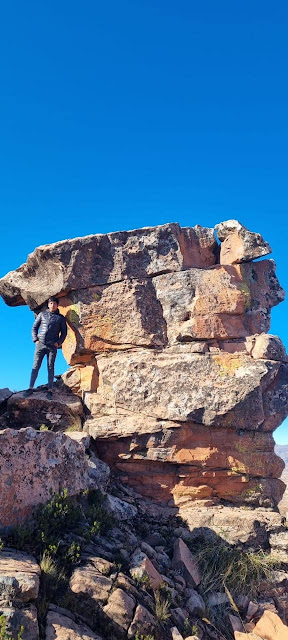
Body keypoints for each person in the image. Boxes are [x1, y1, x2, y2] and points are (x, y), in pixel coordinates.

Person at [24, 296, 67, 399]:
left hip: (52, 346)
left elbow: (64, 333)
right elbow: (34, 328)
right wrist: (36, 340)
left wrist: (58, 343)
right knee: (36, 366)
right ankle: (30, 388)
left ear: (57, 305)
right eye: (51, 303)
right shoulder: (42, 314)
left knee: (50, 367)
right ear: (48, 304)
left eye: (54, 303)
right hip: (40, 344)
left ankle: (50, 390)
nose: (53, 305)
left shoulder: (61, 318)